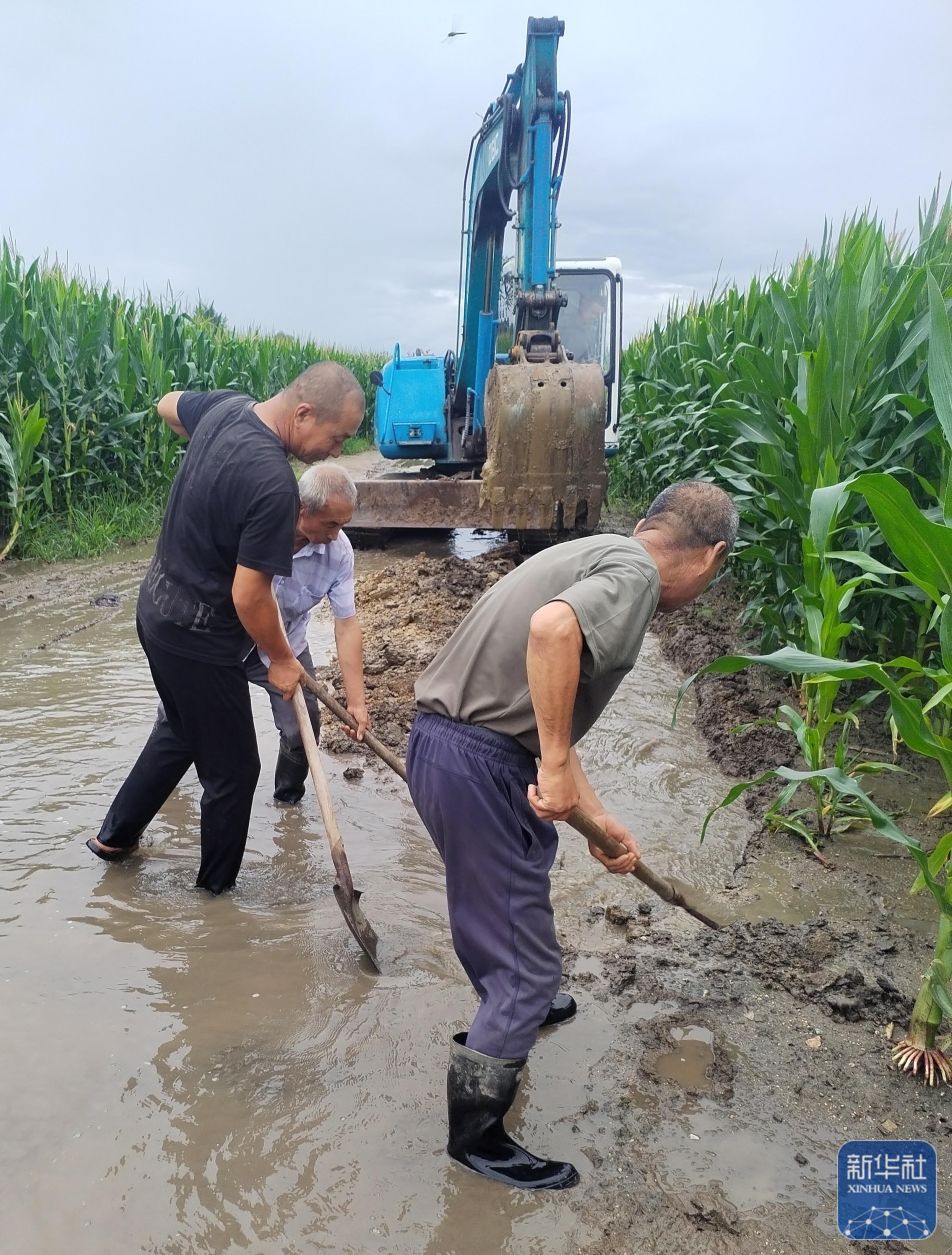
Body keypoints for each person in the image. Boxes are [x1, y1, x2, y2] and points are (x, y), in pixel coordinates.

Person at [405, 480, 737, 1191]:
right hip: (482, 759)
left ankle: (517, 993)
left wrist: (596, 816)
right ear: (712, 556)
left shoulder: (602, 552)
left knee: (502, 896)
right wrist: (553, 760)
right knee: (527, 970)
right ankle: (478, 1138)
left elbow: (541, 705)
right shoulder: (638, 576)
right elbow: (552, 633)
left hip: (445, 745)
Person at [85, 363, 365, 894]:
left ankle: (115, 839)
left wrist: (207, 444)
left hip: (156, 611)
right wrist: (282, 660)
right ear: (303, 413)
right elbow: (250, 595)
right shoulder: (273, 486)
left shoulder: (225, 409)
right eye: (337, 437)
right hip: (200, 638)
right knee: (235, 774)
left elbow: (168, 403)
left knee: (180, 732)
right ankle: (215, 901)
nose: (335, 449)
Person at [151, 462, 371, 803]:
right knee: (179, 721)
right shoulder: (258, 528)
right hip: (220, 641)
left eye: (343, 524)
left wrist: (356, 701)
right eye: (330, 523)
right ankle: (164, 791)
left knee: (304, 730)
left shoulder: (338, 552)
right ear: (300, 510)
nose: (336, 533)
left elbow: (346, 624)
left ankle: (287, 802)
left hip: (285, 647)